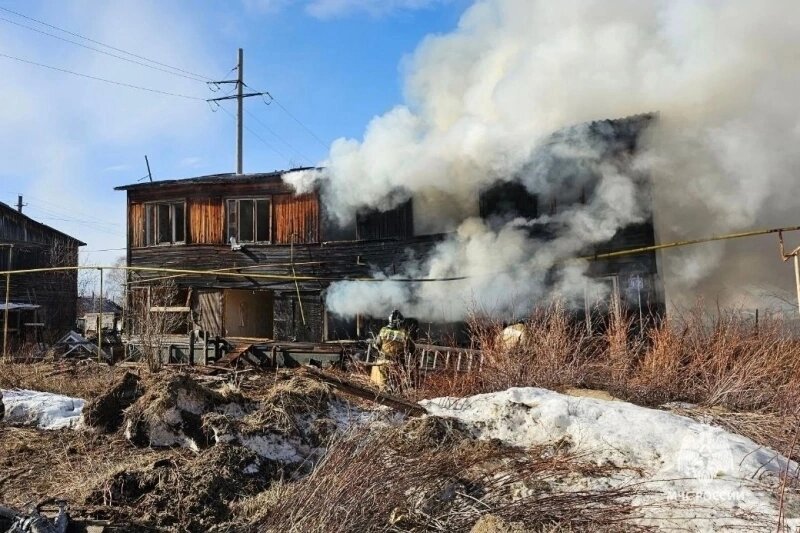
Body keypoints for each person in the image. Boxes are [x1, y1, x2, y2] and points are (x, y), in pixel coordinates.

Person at [372, 310, 415, 391]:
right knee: (398, 385)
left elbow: (377, 344)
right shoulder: (403, 333)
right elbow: (412, 348)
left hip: (383, 362)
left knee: (383, 384)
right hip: (398, 363)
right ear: (400, 322)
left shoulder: (383, 330)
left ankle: (383, 399)